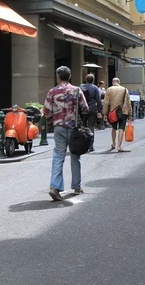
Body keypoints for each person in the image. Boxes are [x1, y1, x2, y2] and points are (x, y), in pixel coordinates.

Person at [42, 66, 89, 201]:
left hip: (58, 128)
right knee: (75, 155)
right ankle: (77, 186)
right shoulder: (76, 91)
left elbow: (46, 112)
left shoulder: (52, 92)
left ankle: (55, 187)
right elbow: (85, 109)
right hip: (74, 129)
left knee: (58, 156)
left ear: (57, 76)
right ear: (69, 77)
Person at [102, 78, 132, 153]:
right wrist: (130, 114)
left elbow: (106, 102)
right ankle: (119, 146)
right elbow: (128, 102)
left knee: (114, 127)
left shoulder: (109, 89)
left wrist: (105, 113)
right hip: (123, 111)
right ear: (119, 82)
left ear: (113, 82)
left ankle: (113, 143)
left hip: (112, 112)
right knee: (121, 128)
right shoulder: (125, 89)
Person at [80, 74, 102, 152]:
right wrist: (99, 110)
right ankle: (90, 146)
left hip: (83, 110)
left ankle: (82, 145)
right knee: (91, 127)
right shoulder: (95, 88)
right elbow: (98, 100)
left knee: (83, 127)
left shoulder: (81, 86)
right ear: (93, 80)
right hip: (92, 109)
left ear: (86, 79)